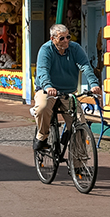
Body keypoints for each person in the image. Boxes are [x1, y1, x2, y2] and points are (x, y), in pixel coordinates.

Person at [31, 24, 102, 152]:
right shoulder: (46, 50)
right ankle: (42, 136)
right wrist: (48, 86)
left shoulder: (75, 48)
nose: (66, 41)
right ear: (52, 39)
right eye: (61, 38)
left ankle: (79, 161)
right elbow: (43, 70)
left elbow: (85, 66)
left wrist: (94, 84)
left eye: (67, 37)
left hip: (68, 91)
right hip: (47, 90)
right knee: (42, 107)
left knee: (80, 125)